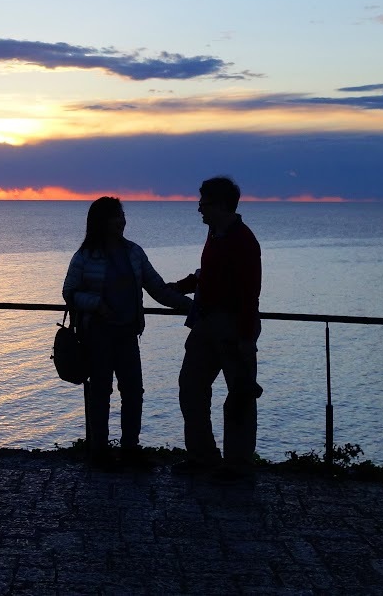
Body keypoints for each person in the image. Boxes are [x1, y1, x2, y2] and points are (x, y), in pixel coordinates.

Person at [62, 196, 191, 469]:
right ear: (101, 221)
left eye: (122, 215)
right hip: (97, 335)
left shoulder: (134, 252)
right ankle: (100, 451)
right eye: (116, 216)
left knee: (133, 392)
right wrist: (97, 305)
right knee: (101, 391)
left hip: (128, 333)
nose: (122, 221)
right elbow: (69, 292)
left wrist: (189, 306)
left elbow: (157, 288)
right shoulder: (85, 256)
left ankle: (129, 449)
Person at [170, 175, 263, 483]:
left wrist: (246, 338)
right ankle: (203, 455)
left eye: (204, 203)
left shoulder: (244, 241)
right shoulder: (215, 234)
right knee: (191, 386)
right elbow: (207, 275)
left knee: (239, 395)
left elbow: (250, 294)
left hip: (233, 326)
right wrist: (181, 286)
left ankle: (237, 464)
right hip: (207, 322)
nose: (199, 208)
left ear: (221, 205)